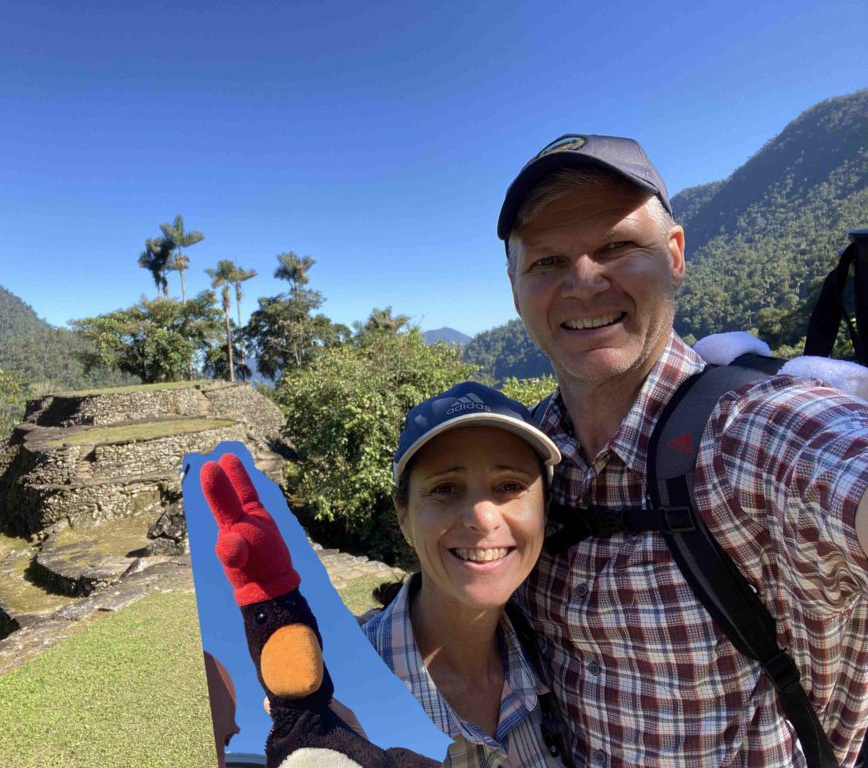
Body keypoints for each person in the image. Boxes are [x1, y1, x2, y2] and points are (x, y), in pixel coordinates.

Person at [497, 133, 868, 766]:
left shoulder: (751, 433)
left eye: (616, 247)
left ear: (674, 255)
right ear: (514, 285)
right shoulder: (524, 459)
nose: (583, 281)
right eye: (547, 261)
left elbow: (835, 458)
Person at [361, 381, 569, 767]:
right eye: (446, 488)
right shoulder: (340, 693)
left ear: (544, 507)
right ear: (403, 515)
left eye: (510, 485)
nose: (483, 518)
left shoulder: (559, 661)